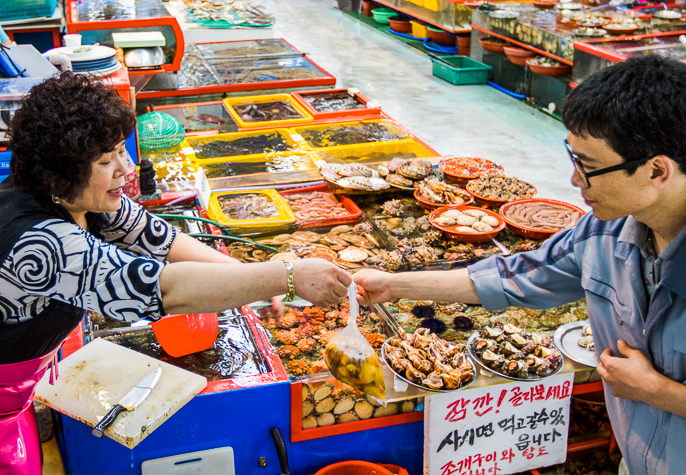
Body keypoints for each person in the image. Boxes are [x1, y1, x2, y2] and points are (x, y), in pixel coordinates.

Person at [0, 71, 352, 474]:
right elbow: (166, 289)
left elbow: (161, 240)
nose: (126, 168)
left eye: (120, 150)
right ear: (57, 175)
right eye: (105, 161)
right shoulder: (39, 243)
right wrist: (287, 274)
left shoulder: (81, 200)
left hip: (18, 389)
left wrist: (253, 277)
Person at [354, 54, 686, 475]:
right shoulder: (604, 234)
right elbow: (514, 276)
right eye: (574, 160)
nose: (574, 182)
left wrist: (659, 392)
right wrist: (393, 285)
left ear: (658, 170)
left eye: (590, 168)